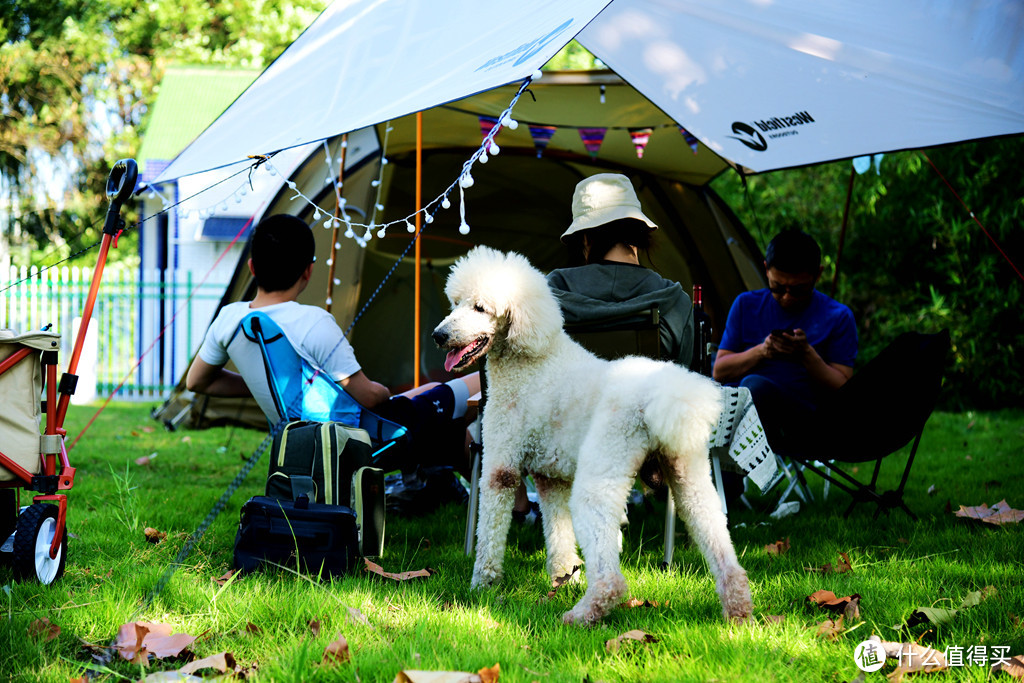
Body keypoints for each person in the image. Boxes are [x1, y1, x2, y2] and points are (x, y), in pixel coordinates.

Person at [186, 213, 480, 478]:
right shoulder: (313, 321)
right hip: (367, 440)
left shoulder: (229, 318)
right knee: (481, 383)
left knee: (433, 405)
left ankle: (492, 500)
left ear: (252, 267)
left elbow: (196, 381)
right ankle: (517, 507)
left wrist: (263, 384)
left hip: (309, 444)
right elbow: (370, 397)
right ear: (308, 272)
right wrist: (383, 390)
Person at [712, 228, 858, 453]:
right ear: (766, 270)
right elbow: (719, 370)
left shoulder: (837, 317)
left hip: (802, 421)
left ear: (817, 275)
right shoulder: (745, 305)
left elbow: (844, 388)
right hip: (740, 408)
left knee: (753, 387)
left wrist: (806, 354)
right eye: (778, 287)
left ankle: (733, 475)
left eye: (799, 290)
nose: (787, 297)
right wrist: (762, 351)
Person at [546, 173, 694, 368]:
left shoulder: (551, 292)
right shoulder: (674, 302)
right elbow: (687, 377)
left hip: (572, 399)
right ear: (640, 231)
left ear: (585, 238)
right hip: (649, 398)